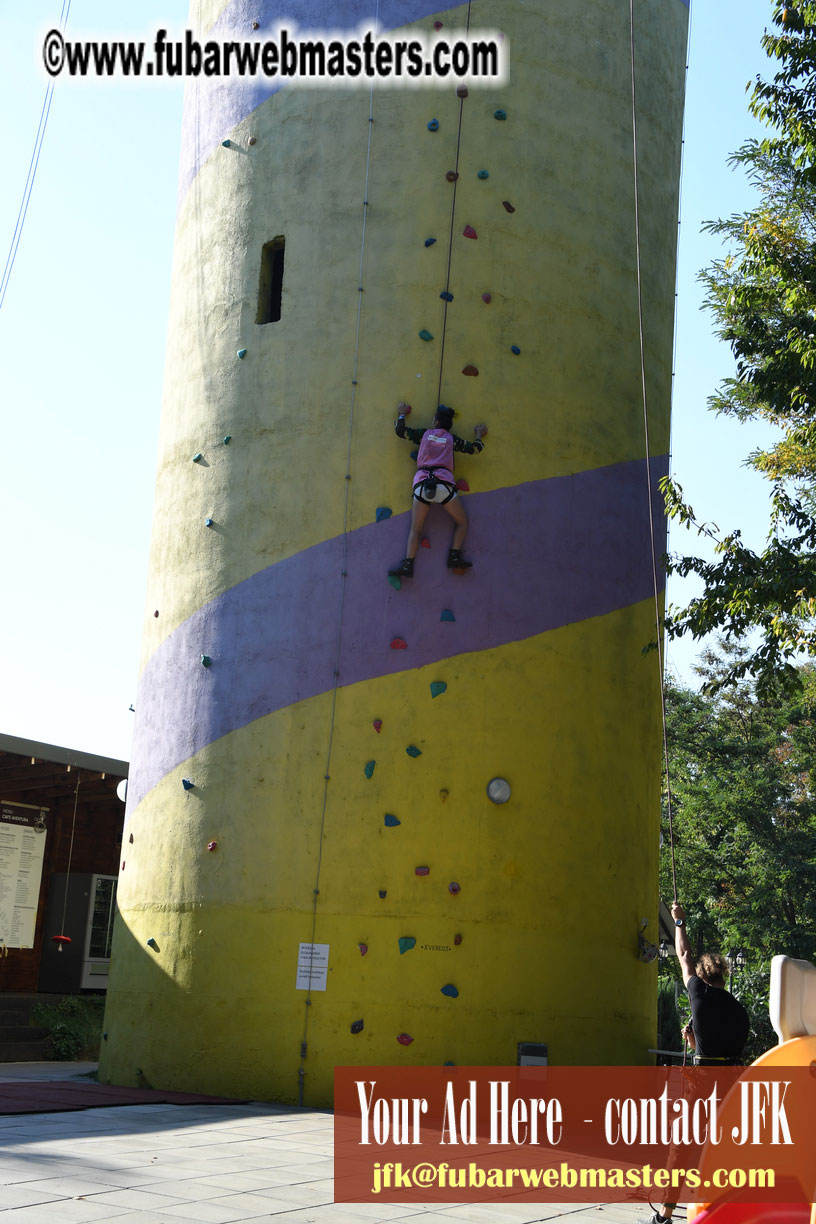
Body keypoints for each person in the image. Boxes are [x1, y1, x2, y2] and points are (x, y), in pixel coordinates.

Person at [643, 901, 751, 1224]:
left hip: (702, 1081)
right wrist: (696, 1044)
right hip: (730, 1081)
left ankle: (665, 1213)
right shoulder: (740, 1012)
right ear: (724, 976)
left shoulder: (700, 996)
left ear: (703, 977)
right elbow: (728, 1050)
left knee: (682, 1146)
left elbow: (684, 955)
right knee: (724, 1147)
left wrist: (679, 922)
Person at [387, 403, 487, 578]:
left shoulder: (424, 435)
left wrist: (402, 414)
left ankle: (408, 566)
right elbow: (475, 448)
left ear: (435, 421)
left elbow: (400, 431)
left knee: (416, 529)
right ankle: (454, 557)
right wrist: (479, 434)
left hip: (422, 484)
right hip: (443, 485)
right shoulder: (451, 439)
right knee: (462, 522)